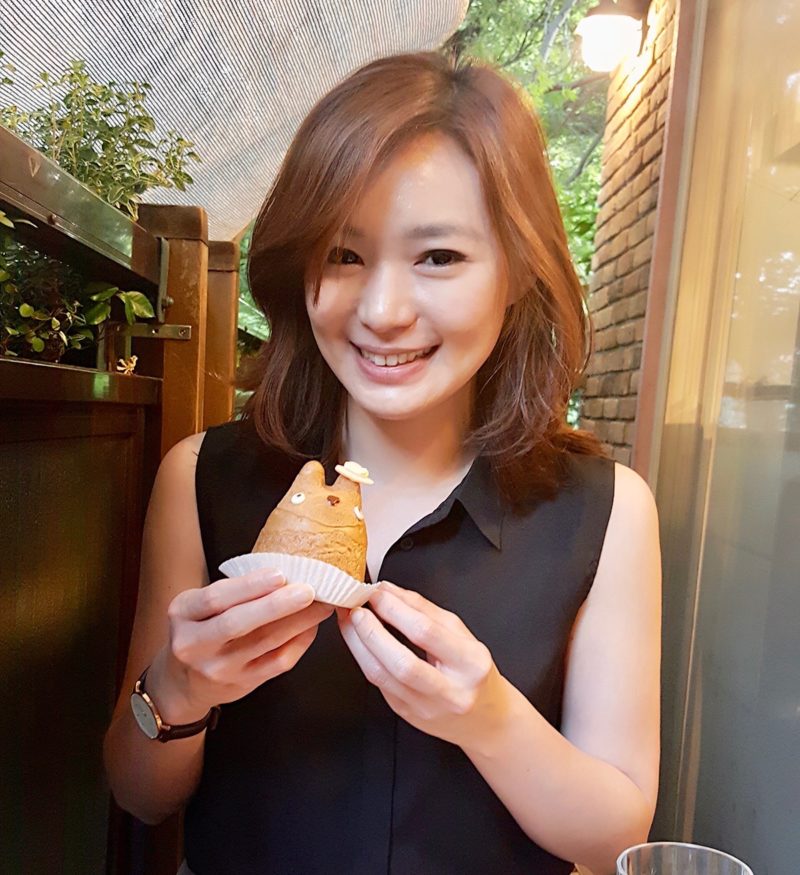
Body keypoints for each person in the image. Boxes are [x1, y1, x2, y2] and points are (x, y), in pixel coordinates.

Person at [104, 51, 661, 875]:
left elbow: (616, 834)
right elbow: (138, 792)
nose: (383, 311)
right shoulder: (202, 477)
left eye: (438, 257)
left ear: (517, 271)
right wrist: (177, 689)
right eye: (343, 253)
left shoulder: (605, 510)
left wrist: (489, 717)